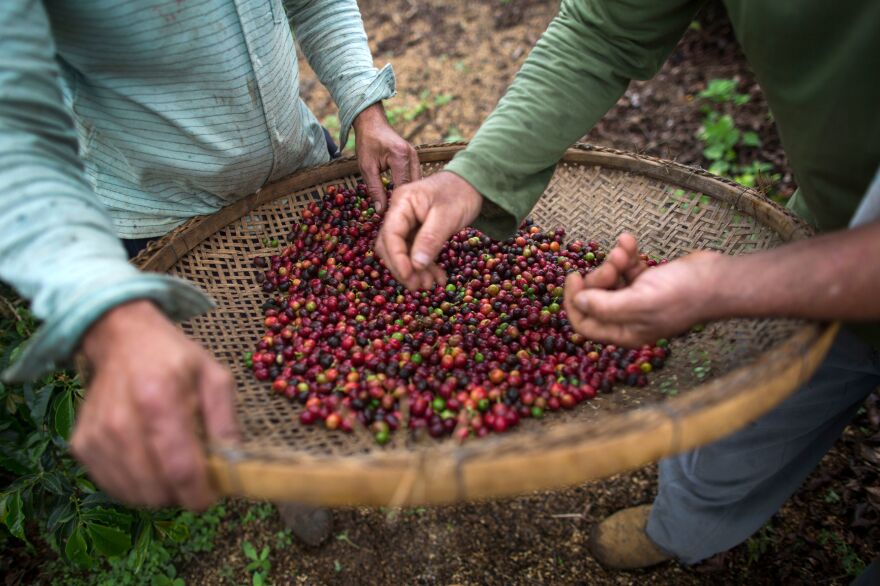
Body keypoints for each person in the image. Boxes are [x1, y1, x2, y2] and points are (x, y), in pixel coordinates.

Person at [374, 0, 880, 576]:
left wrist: (724, 285)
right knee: (745, 414)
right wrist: (474, 175)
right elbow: (606, 29)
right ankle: (683, 527)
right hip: (835, 221)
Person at [0, 0, 420, 525]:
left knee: (339, 324)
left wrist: (364, 104)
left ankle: (354, 418)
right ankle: (288, 467)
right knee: (240, 370)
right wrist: (102, 310)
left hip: (297, 163)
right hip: (160, 213)